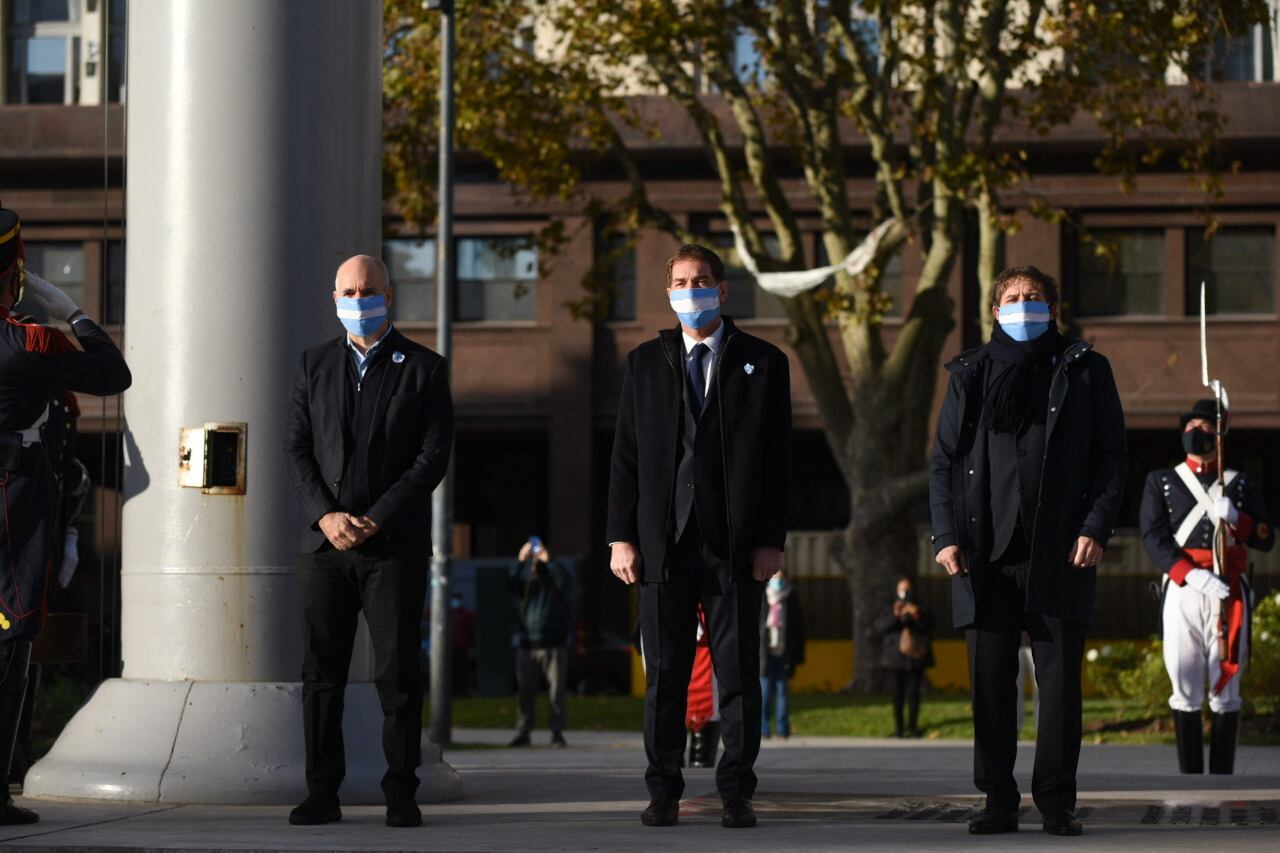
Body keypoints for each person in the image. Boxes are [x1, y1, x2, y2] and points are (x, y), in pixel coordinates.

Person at [929, 265, 1126, 837]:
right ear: (995, 310)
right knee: (990, 685)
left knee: (1060, 685)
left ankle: (1057, 801)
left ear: (1053, 308)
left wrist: (1095, 527)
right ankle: (997, 799)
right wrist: (944, 536)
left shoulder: (1085, 369)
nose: (1023, 305)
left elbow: (1111, 456)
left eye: (1034, 297)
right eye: (1012, 298)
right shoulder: (969, 372)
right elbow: (943, 461)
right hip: (983, 553)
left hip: (1061, 552)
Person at [607, 243, 792, 829]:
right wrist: (621, 537)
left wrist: (770, 539)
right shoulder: (643, 363)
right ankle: (663, 790)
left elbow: (777, 461)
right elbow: (625, 459)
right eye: (682, 282)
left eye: (703, 280)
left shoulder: (764, 363)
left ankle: (736, 790)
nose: (692, 290)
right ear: (667, 293)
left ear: (723, 289)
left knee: (737, 676)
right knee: (665, 676)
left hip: (734, 547)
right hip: (662, 545)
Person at [284, 254, 454, 828]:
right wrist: (325, 516)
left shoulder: (424, 369)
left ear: (389, 294)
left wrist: (376, 518)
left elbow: (431, 458)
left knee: (397, 676)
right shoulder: (314, 365)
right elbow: (297, 449)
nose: (358, 300)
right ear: (335, 298)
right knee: (320, 675)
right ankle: (321, 793)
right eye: (348, 292)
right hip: (324, 550)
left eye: (368, 290)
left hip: (392, 548)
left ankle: (401, 793)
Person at [0, 203, 132, 824]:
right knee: (11, 635)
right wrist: (71, 309)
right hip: (13, 507)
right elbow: (114, 371)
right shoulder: (30, 343)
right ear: (16, 270)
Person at [1139, 399, 1273, 774]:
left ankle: (1223, 778)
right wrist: (1188, 572)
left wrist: (1237, 519)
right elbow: (1152, 536)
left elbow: (1265, 537)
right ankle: (1190, 778)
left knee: (1226, 686)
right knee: (1184, 680)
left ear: (1220, 435)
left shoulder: (1239, 484)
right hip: (1185, 587)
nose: (1196, 433)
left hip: (1229, 588)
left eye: (1205, 427)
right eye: (1191, 426)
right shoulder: (1161, 482)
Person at [508, 536, 571, 748]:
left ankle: (557, 732)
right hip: (528, 645)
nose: (536, 565)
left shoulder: (555, 585)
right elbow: (509, 584)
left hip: (553, 645)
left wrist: (549, 560)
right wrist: (520, 560)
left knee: (556, 692)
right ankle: (523, 731)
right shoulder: (527, 586)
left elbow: (565, 581)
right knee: (525, 692)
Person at [874, 576, 933, 739]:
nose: (905, 593)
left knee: (914, 693)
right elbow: (880, 628)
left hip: (915, 656)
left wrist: (916, 614)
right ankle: (899, 729)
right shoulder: (889, 606)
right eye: (902, 590)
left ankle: (913, 728)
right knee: (897, 693)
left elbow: (929, 627)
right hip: (895, 657)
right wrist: (896, 615)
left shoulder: (920, 605)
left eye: (908, 590)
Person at [759, 571, 804, 740]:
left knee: (782, 691)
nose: (777, 581)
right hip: (764, 652)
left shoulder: (790, 598)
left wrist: (797, 656)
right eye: (774, 577)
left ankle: (782, 729)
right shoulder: (763, 596)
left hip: (784, 652)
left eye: (780, 578)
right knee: (764, 692)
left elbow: (798, 628)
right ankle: (763, 729)